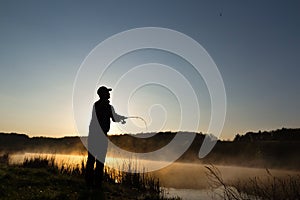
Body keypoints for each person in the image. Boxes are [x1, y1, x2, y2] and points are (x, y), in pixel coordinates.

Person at [85, 86, 126, 187]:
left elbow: (114, 117)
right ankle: (96, 184)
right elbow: (114, 117)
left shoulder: (98, 105)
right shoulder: (104, 106)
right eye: (107, 92)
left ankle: (90, 183)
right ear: (103, 94)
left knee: (92, 160)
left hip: (95, 136)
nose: (109, 93)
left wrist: (120, 118)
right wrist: (119, 118)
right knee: (98, 160)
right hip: (99, 136)